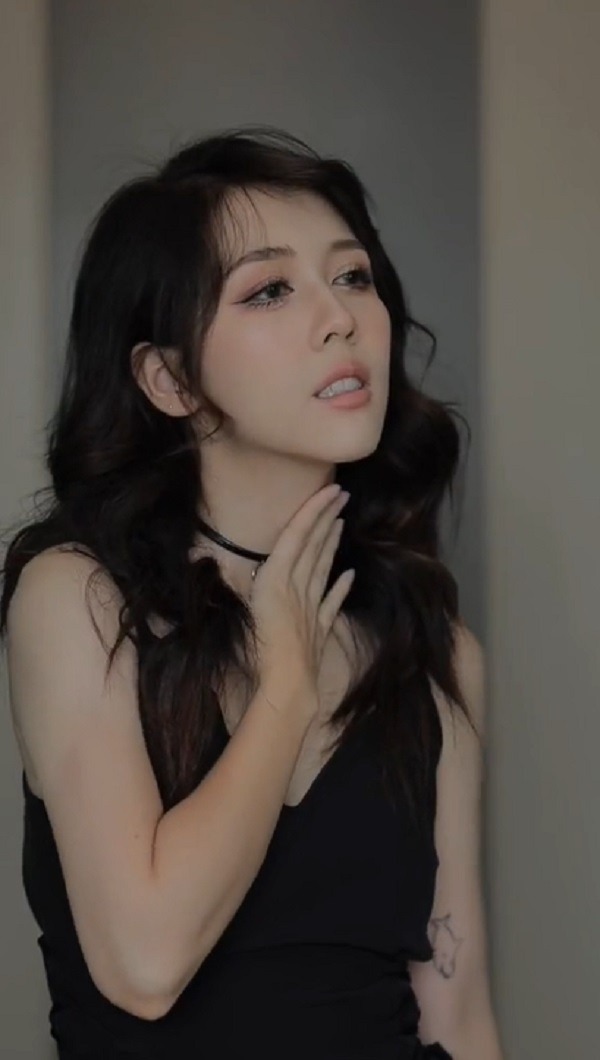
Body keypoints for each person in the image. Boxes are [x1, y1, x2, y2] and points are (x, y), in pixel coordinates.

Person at [1, 126, 503, 1059]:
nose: (340, 318)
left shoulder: (436, 649)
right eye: (270, 290)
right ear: (170, 379)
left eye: (352, 276)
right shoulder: (77, 599)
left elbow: (458, 1010)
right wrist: (285, 687)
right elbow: (144, 965)